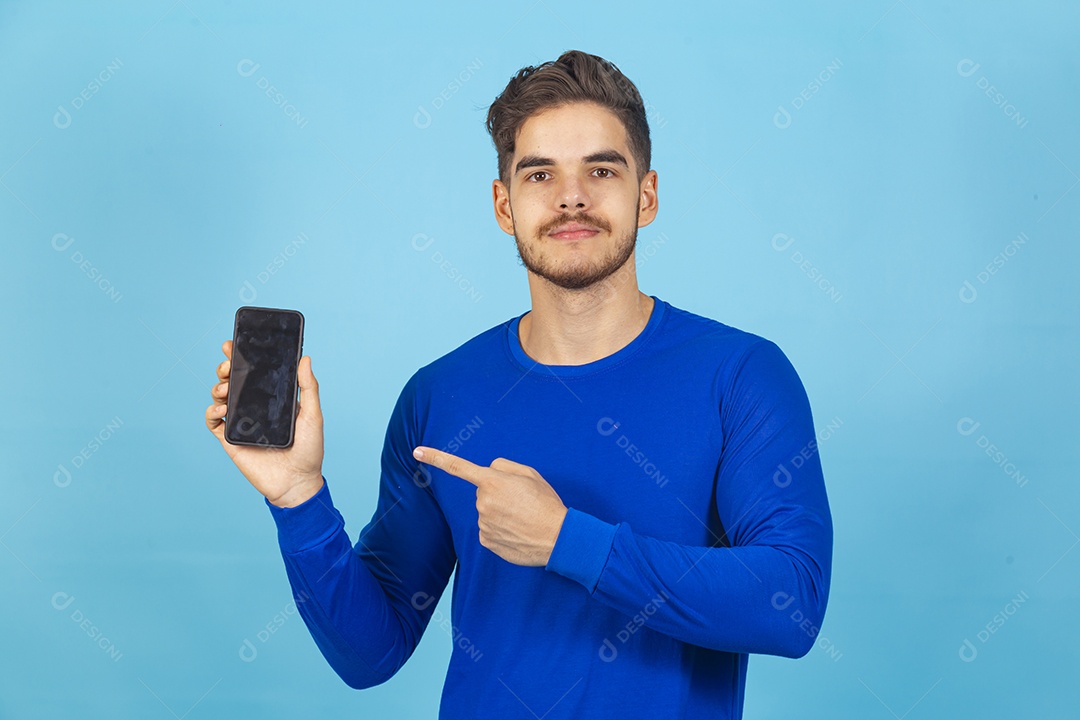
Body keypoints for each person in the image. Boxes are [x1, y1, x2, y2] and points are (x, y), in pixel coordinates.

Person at [205, 49, 833, 719]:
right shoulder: (441, 396)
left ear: (646, 195)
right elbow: (370, 653)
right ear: (504, 204)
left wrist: (569, 540)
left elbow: (790, 604)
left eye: (601, 169)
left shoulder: (740, 374)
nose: (571, 197)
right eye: (540, 174)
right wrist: (299, 497)